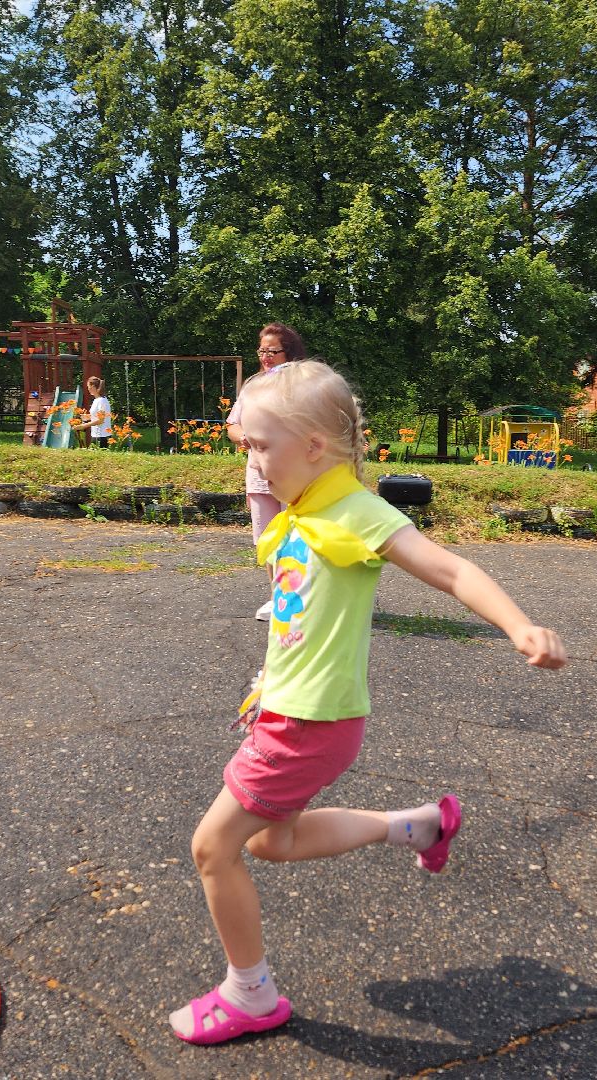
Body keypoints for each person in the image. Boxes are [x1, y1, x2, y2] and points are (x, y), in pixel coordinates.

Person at [169, 360, 567, 1046]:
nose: (253, 465)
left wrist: (518, 624)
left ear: (315, 448)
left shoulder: (356, 512)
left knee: (214, 848)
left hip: (308, 723)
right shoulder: (304, 509)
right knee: (272, 841)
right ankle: (418, 826)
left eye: (262, 448)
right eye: (248, 450)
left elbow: (451, 568)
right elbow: (296, 592)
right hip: (293, 712)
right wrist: (256, 420)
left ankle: (250, 994)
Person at [226, 323, 307, 619]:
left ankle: (300, 595)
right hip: (259, 471)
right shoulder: (253, 385)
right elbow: (233, 424)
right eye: (262, 350)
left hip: (292, 472)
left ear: (289, 353)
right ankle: (278, 598)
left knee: (296, 536)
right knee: (267, 538)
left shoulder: (300, 384)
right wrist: (242, 437)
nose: (266, 356)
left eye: (273, 351)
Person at [84, 375, 111, 448]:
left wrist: (83, 426)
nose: (88, 388)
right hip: (96, 435)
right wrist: (83, 417)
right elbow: (95, 416)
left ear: (93, 387)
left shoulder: (102, 401)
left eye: (88, 386)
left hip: (102, 436)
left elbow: (100, 420)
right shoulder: (96, 400)